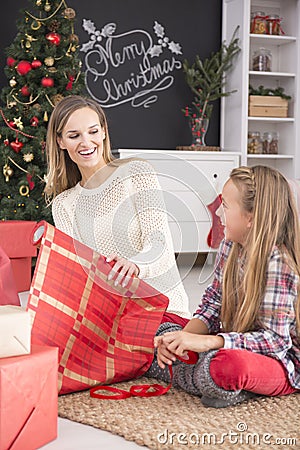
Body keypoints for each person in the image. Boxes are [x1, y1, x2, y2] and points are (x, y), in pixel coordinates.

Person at [151, 165, 300, 408]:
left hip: (281, 361)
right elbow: (212, 304)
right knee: (160, 330)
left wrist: (210, 342)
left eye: (226, 206)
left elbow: (275, 342)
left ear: (251, 217)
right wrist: (181, 341)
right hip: (236, 342)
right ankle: (213, 382)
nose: (218, 212)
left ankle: (206, 377)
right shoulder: (230, 247)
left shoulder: (279, 263)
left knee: (227, 366)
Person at [44, 95, 190, 319]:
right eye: (74, 136)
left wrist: (136, 265)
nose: (86, 142)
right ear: (61, 142)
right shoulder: (64, 205)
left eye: (93, 131)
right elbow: (77, 273)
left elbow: (160, 242)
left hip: (162, 311)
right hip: (109, 319)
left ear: (103, 132)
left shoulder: (137, 174)